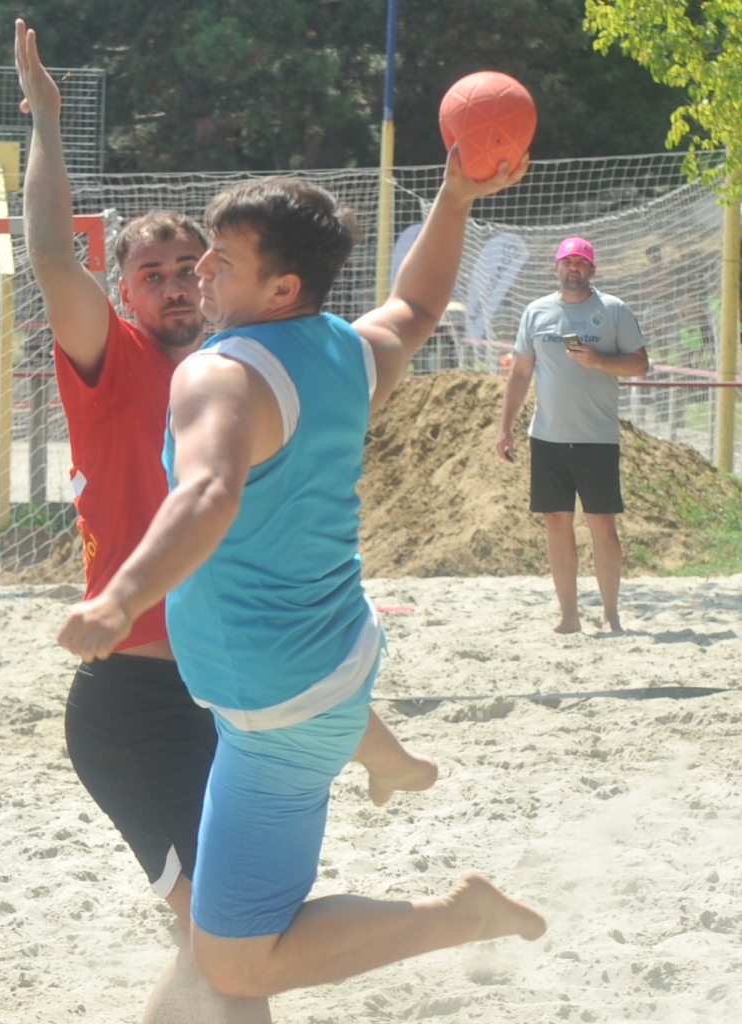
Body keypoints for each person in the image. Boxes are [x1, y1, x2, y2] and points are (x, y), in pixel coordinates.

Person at [17, 20, 435, 1021]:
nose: (174, 281)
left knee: (225, 945)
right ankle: (382, 761)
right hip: (135, 701)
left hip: (236, 692)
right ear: (122, 292)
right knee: (228, 946)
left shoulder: (263, 365)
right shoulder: (113, 357)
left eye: (187, 264)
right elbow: (48, 253)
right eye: (150, 272)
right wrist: (45, 121)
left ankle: (378, 751)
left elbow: (404, 315)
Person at [57, 152, 546, 1002]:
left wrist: (121, 598)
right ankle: (390, 761)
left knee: (236, 963)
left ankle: (459, 913)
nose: (202, 272)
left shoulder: (219, 373)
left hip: (275, 704)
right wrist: (455, 196)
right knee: (326, 729)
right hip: (337, 653)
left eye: (222, 260)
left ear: (281, 287)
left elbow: (208, 493)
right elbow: (418, 305)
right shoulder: (348, 351)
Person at [495, 237, 648, 634]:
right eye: (567, 261)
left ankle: (611, 615)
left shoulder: (613, 310)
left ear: (592, 270)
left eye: (581, 261)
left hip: (597, 437)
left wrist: (599, 361)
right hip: (547, 437)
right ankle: (569, 616)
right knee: (555, 522)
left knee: (602, 525)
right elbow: (521, 373)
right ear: (556, 268)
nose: (574, 267)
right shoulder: (536, 311)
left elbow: (640, 365)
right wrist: (505, 427)